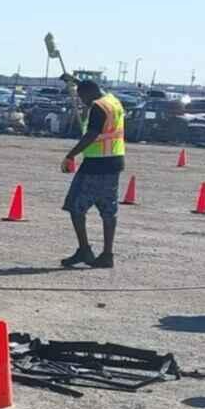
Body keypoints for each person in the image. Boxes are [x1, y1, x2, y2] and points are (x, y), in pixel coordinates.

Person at [59, 76, 126, 268]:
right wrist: (74, 80)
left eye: (82, 97)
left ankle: (85, 250)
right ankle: (107, 254)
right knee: (108, 210)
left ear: (88, 93)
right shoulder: (113, 101)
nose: (82, 101)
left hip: (95, 165)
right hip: (114, 162)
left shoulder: (97, 106)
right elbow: (90, 86)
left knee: (75, 206)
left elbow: (92, 134)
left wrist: (71, 155)